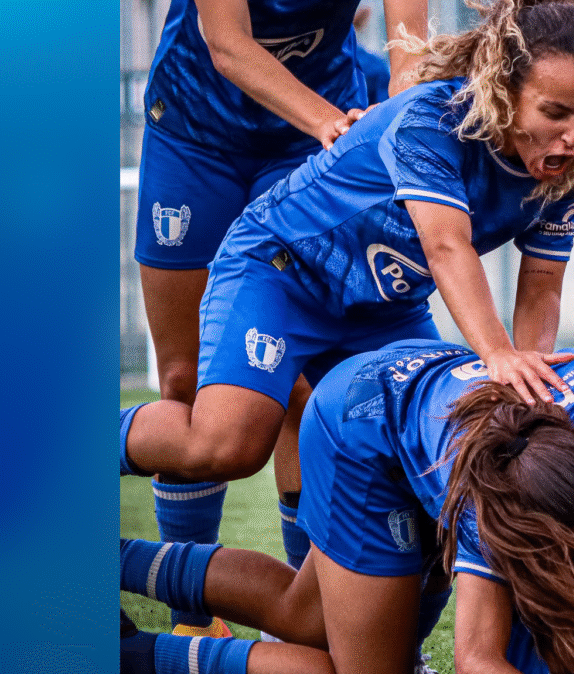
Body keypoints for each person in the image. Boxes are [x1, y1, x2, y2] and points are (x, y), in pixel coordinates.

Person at [119, 0, 574, 608]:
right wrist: (499, 357)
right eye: (554, 112)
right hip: (282, 271)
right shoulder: (434, 119)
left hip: (383, 306)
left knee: (435, 458)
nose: (573, 135)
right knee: (226, 445)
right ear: (503, 90)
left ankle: (336, 623)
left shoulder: (563, 169)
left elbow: (541, 289)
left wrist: (527, 394)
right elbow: (447, 247)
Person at [120, 338, 574, 674]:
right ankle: (132, 657)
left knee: (303, 615)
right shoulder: (499, 502)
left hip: (424, 396)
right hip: (361, 427)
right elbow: (477, 656)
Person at [132, 0, 428, 636]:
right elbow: (229, 46)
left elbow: (408, 42)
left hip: (306, 143)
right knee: (183, 381)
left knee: (301, 389)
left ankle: (300, 623)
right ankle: (192, 617)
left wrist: (396, 118)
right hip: (194, 135)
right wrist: (332, 123)